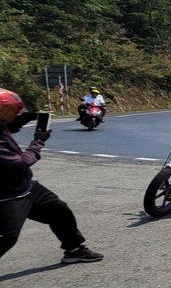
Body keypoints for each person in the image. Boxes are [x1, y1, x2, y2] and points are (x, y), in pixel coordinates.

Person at [0, 88, 103, 263]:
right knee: (9, 236)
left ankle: (74, 249)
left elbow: (8, 128)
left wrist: (28, 117)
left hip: (26, 187)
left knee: (60, 211)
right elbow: (21, 164)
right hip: (8, 196)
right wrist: (38, 142)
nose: (11, 115)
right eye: (10, 111)